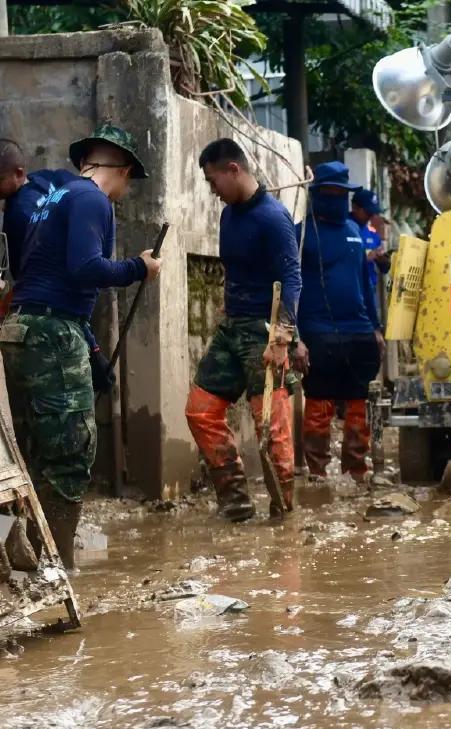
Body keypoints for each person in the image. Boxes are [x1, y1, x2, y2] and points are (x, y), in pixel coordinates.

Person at [0, 125, 162, 571]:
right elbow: (84, 268)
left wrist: (89, 347)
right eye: (129, 182)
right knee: (72, 452)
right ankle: (57, 565)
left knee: (39, 451)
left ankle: (25, 553)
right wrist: (139, 267)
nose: (125, 191)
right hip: (51, 333)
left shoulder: (53, 199)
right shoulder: (92, 199)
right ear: (124, 171)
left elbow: (44, 278)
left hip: (24, 329)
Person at [186, 138, 301, 521]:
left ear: (233, 169)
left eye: (212, 179)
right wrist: (226, 302)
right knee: (200, 411)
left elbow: (293, 278)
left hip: (264, 332)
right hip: (231, 327)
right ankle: (235, 500)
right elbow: (235, 269)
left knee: (271, 427)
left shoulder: (273, 217)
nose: (211, 189)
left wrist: (282, 339)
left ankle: (283, 514)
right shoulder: (228, 215)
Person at [293, 162, 383, 483]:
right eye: (328, 193)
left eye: (341, 194)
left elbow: (365, 284)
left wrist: (376, 329)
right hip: (318, 336)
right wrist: (295, 337)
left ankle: (356, 475)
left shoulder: (354, 232)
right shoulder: (299, 234)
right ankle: (318, 476)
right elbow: (288, 288)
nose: (335, 200)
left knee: (358, 408)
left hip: (359, 335)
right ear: (315, 194)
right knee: (318, 405)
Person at [0, 139, 113, 394]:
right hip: (70, 309)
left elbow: (25, 272)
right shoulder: (50, 179)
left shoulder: (19, 213)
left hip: (47, 314)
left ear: (18, 174)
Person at [351, 188, 391, 285]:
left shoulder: (373, 234)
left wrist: (383, 260)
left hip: (369, 289)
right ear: (355, 207)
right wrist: (364, 257)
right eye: (368, 212)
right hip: (351, 287)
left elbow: (384, 269)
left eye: (373, 213)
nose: (371, 217)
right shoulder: (344, 228)